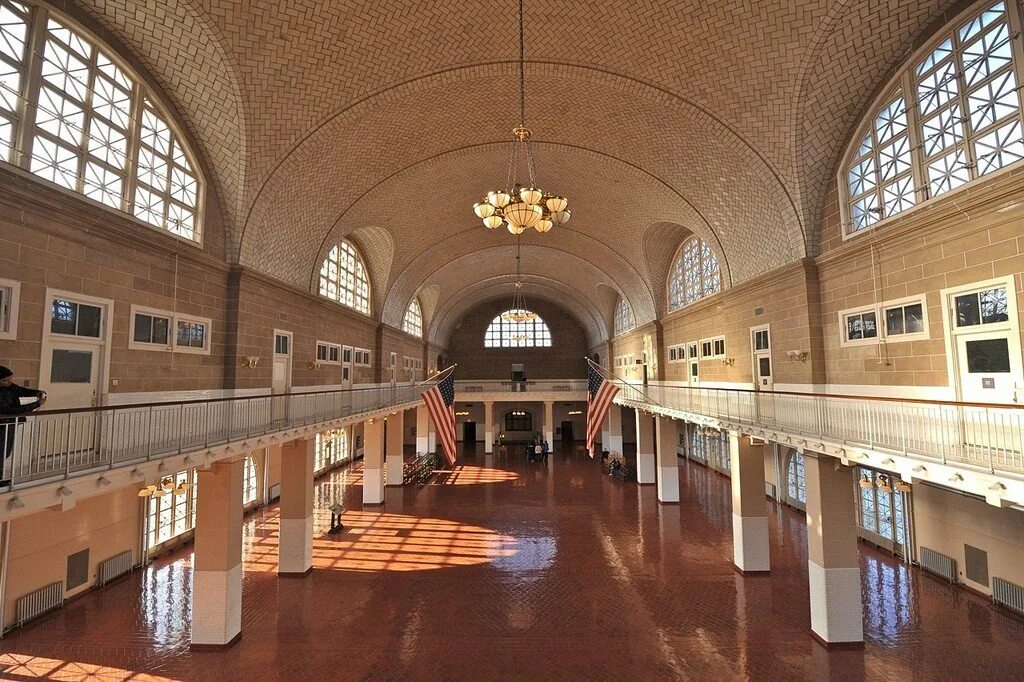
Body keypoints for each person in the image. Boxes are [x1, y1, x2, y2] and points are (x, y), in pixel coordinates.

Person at [0, 366, 46, 486]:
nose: (10, 382)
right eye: (6, 380)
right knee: (0, 451)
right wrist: (36, 404)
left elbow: (21, 390)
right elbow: (11, 410)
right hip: (2, 425)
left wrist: (36, 392)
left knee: (5, 451)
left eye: (10, 379)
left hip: (9, 424)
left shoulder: (9, 386)